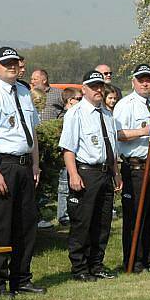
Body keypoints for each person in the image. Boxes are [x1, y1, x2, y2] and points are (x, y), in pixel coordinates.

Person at [0, 47, 46, 297]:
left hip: (25, 166)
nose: (11, 66)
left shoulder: (24, 91)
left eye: (14, 62)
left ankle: (21, 279)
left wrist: (35, 164)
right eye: (6, 63)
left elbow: (32, 132)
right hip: (1, 165)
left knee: (26, 225)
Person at [59, 70, 122, 281]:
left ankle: (97, 264)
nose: (98, 90)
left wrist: (116, 173)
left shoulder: (107, 114)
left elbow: (111, 147)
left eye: (100, 86)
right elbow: (68, 149)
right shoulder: (75, 114)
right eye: (93, 86)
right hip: (86, 172)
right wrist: (73, 174)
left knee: (102, 223)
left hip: (105, 173)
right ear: (83, 89)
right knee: (82, 222)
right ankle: (79, 268)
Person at [114, 64, 150, 273]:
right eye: (141, 79)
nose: (145, 83)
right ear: (133, 82)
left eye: (148, 80)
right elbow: (117, 133)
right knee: (135, 215)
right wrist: (143, 131)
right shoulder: (125, 104)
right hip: (136, 168)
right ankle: (134, 261)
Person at [55, 88, 82, 227]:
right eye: (79, 99)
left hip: (77, 157)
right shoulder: (65, 116)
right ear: (70, 100)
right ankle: (63, 214)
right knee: (64, 186)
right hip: (65, 156)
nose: (81, 101)